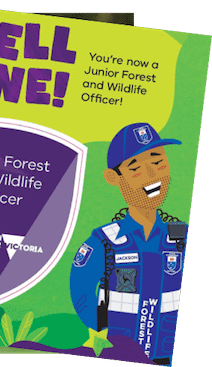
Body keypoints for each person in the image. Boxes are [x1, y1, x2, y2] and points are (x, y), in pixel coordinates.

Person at [70, 122, 187, 365]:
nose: (153, 175)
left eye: (158, 162)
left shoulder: (180, 237)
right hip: (118, 353)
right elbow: (81, 291)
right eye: (136, 168)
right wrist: (105, 333)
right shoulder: (104, 242)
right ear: (113, 177)